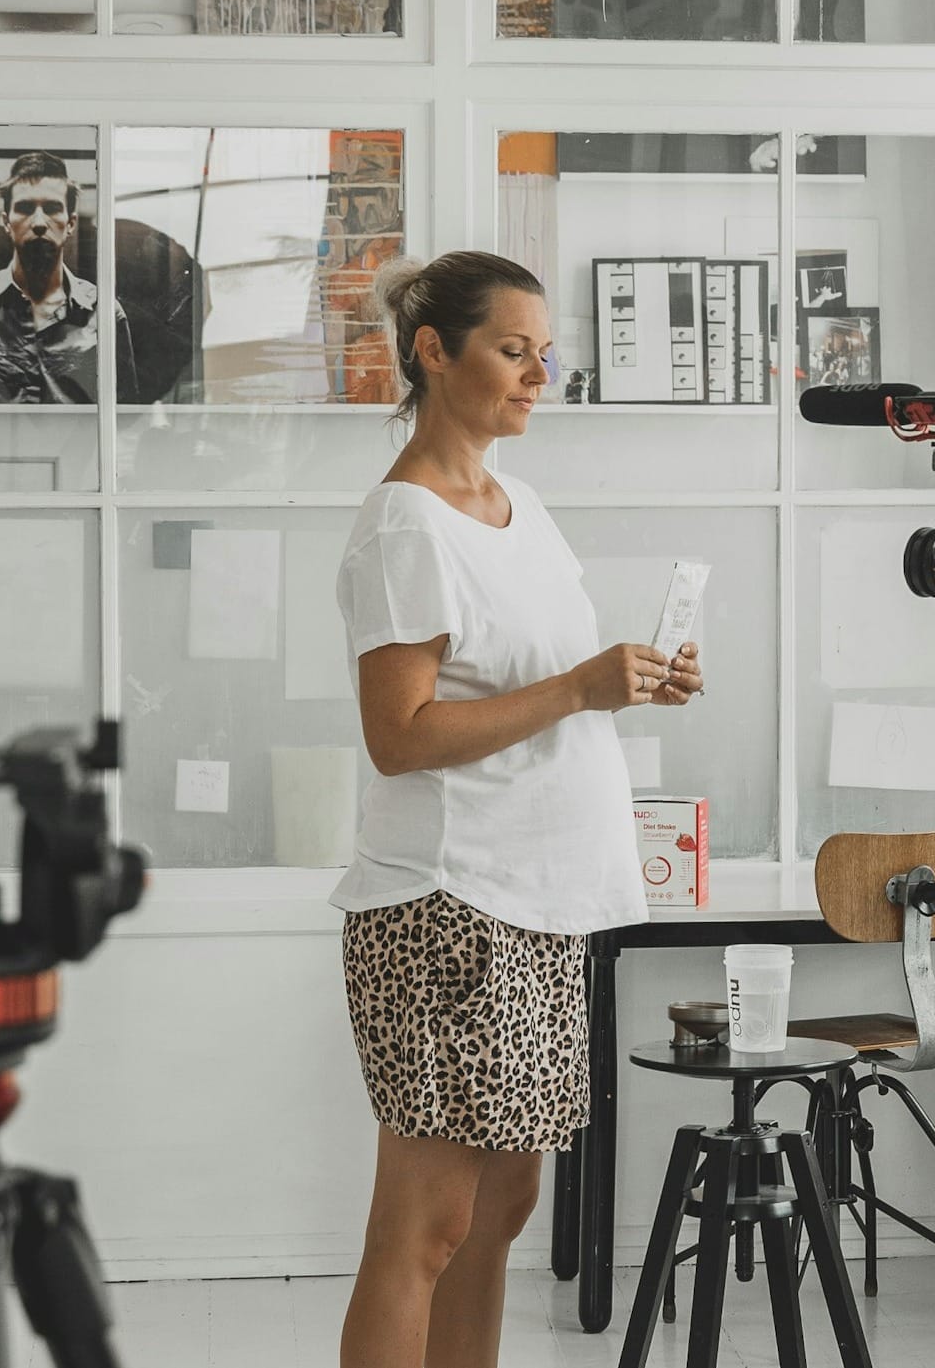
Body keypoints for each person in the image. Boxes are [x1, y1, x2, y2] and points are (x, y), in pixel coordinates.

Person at [331, 250, 704, 1368]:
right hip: (448, 909)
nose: (539, 374)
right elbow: (398, 737)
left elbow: (536, 690)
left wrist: (630, 680)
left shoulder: (517, 504)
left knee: (497, 1219)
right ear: (432, 353)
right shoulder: (407, 526)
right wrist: (581, 687)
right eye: (512, 350)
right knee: (429, 1224)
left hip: (543, 911)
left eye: (546, 353)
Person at [0, 150, 136, 406]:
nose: (39, 222)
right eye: (25, 208)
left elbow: (124, 418)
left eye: (51, 208)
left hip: (76, 448)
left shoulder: (104, 312)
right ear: (7, 222)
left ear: (70, 223)